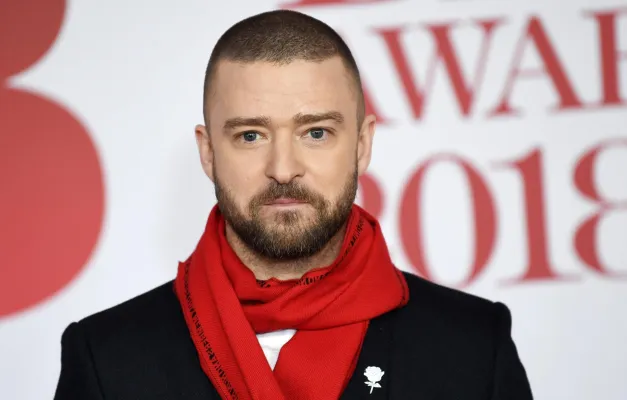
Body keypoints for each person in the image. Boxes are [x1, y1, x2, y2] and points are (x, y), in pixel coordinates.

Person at [53, 9, 533, 400]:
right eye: (251, 135)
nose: (283, 169)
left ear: (362, 145)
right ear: (208, 152)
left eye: (316, 132)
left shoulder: (473, 346)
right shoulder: (106, 359)